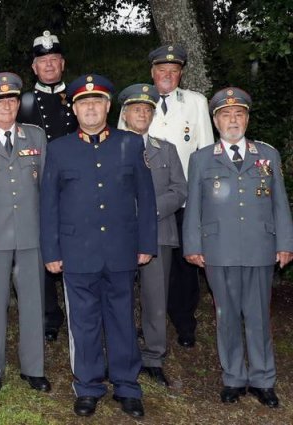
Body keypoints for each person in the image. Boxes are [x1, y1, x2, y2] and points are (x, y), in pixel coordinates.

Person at [40, 74, 157, 418]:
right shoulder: (59, 149)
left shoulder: (130, 143)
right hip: (77, 252)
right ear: (75, 109)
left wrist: (146, 243)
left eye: (96, 102)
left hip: (121, 248)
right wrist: (52, 252)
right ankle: (88, 385)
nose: (90, 108)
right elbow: (48, 205)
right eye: (83, 103)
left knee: (121, 317)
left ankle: (126, 385)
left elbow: (146, 199)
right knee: (84, 323)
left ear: (108, 106)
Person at [182, 87, 293, 408]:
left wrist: (285, 242)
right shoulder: (202, 158)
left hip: (260, 246)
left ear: (247, 118)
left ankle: (262, 379)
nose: (233, 119)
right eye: (226, 115)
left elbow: (280, 204)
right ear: (216, 120)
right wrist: (192, 244)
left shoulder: (267, 155)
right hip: (219, 249)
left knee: (258, 316)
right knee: (226, 315)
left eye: (239, 114)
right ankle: (233, 377)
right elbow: (194, 208)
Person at [0, 72, 50, 393]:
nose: (7, 105)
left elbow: (45, 188)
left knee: (33, 304)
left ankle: (34, 368)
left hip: (31, 236)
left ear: (19, 103)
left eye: (12, 99)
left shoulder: (36, 137)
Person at [144, 45, 214, 348]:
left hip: (184, 198)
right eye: (162, 70)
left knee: (186, 264)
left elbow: (205, 152)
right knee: (151, 262)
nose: (167, 75)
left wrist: (203, 197)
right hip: (149, 200)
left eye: (174, 71)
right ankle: (150, 319)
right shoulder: (138, 100)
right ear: (152, 72)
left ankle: (184, 322)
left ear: (181, 73)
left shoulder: (196, 102)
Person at [118, 83, 187, 387]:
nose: (142, 114)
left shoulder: (166, 149)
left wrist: (148, 210)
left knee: (155, 296)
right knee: (119, 296)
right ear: (125, 114)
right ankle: (122, 353)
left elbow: (180, 190)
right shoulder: (111, 146)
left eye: (147, 110)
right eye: (136, 109)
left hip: (159, 232)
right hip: (118, 234)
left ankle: (154, 357)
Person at [18, 30, 77, 342]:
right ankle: (48, 314)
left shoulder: (80, 97)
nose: (49, 65)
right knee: (42, 251)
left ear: (62, 63)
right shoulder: (24, 101)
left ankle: (76, 308)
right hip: (38, 185)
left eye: (54, 60)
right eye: (43, 61)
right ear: (34, 67)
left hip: (74, 187)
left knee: (74, 249)